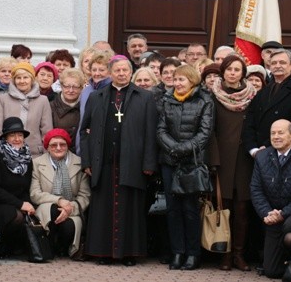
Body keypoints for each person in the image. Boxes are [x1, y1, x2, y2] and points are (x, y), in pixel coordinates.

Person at [80, 55, 158, 266]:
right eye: (117, 70)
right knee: (102, 209)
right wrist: (86, 161)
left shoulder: (145, 97)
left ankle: (129, 253)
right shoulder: (97, 96)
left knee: (130, 210)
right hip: (103, 163)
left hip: (132, 163)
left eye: (125, 70)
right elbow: (84, 131)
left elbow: (151, 132)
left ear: (130, 72)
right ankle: (103, 253)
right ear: (109, 72)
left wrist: (149, 163)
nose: (121, 73)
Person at [157, 64, 213, 270]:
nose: (177, 83)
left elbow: (204, 133)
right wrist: (174, 149)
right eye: (175, 79)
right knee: (172, 209)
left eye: (182, 79)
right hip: (169, 161)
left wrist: (183, 149)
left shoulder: (204, 100)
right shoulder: (166, 99)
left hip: (192, 163)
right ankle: (177, 252)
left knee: (189, 209)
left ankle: (193, 254)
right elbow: (160, 129)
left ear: (192, 81)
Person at [209, 56, 257, 271]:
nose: (232, 73)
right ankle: (225, 254)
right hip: (222, 160)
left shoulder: (252, 96)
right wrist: (213, 159)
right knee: (224, 207)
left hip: (245, 159)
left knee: (242, 208)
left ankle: (239, 254)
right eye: (228, 69)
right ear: (223, 72)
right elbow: (208, 130)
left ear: (242, 72)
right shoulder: (213, 96)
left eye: (237, 69)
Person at [250, 119, 291, 278]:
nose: (276, 136)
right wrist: (267, 213)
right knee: (271, 271)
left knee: (289, 227)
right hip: (272, 217)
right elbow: (256, 189)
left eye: (280, 133)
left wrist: (283, 213)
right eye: (273, 133)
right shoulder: (262, 157)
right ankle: (284, 262)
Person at [30, 128, 90, 257]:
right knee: (52, 209)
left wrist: (69, 208)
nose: (58, 148)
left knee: (69, 227)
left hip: (72, 209)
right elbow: (35, 193)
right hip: (46, 209)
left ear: (68, 145)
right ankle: (48, 247)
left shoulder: (80, 163)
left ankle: (63, 248)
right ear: (47, 147)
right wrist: (59, 201)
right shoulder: (36, 163)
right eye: (53, 145)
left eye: (62, 144)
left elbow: (84, 195)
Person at [242, 49, 291, 156]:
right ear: (269, 67)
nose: (277, 65)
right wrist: (253, 149)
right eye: (274, 63)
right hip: (256, 153)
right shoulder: (261, 93)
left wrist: (266, 147)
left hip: (283, 153)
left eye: (282, 62)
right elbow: (249, 122)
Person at [0, 117, 35, 257]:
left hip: (19, 202)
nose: (17, 139)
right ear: (5, 137)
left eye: (20, 135)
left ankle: (15, 247)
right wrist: (20, 204)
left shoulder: (27, 158)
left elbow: (26, 187)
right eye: (12, 135)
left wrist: (27, 204)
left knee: (31, 213)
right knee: (15, 215)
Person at [0, 62, 53, 157]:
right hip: (7, 154)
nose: (22, 81)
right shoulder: (4, 99)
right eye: (18, 78)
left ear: (32, 79)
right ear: (14, 80)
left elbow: (47, 131)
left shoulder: (43, 100)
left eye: (25, 77)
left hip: (35, 153)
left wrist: (48, 155)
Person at [75, 52, 112, 155]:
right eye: (94, 70)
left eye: (101, 70)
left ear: (109, 72)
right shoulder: (86, 91)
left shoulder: (113, 91)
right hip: (84, 144)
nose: (97, 73)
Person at [50, 68, 84, 151]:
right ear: (61, 86)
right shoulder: (51, 106)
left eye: (75, 87)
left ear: (81, 88)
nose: (71, 90)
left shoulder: (86, 106)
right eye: (67, 86)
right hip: (57, 152)